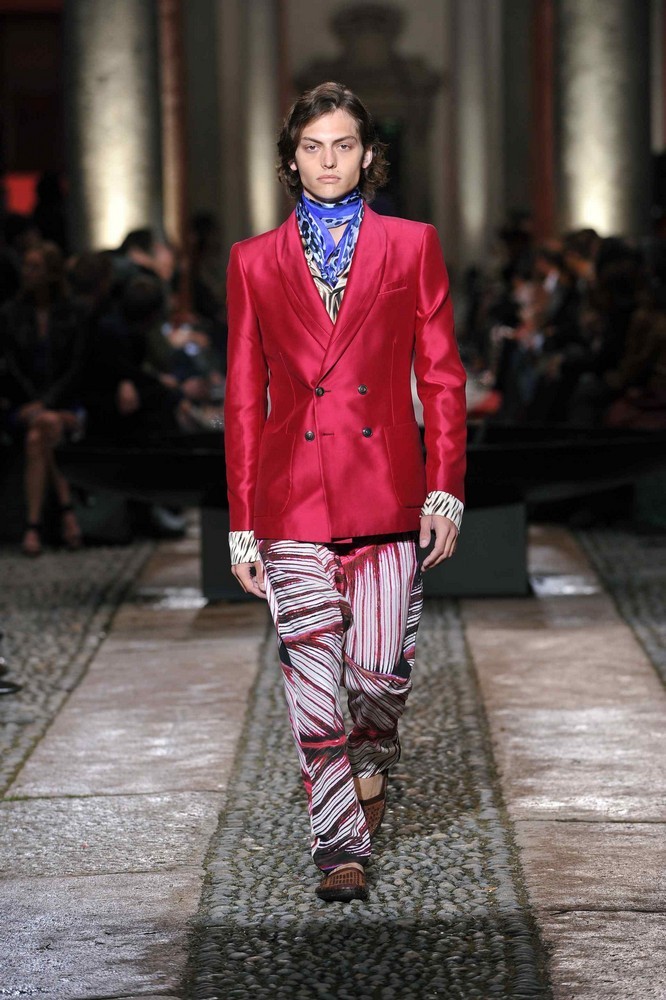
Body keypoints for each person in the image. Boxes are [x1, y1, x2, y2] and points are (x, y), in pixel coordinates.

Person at [224, 82, 467, 902]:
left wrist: (445, 490)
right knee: (313, 678)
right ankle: (339, 845)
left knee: (378, 675)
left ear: (368, 156)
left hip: (387, 495)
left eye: (343, 145)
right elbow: (243, 397)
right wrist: (243, 522)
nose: (328, 161)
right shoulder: (254, 260)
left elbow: (442, 377)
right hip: (291, 501)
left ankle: (374, 756)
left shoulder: (412, 245)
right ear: (292, 159)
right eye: (312, 147)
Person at [0, 242, 87, 556]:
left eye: (35, 267)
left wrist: (47, 404)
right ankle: (68, 515)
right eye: (26, 266)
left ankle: (33, 526)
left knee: (39, 436)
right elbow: (12, 367)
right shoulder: (10, 314)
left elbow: (77, 366)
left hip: (63, 404)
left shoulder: (74, 313)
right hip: (23, 405)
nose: (28, 273)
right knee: (45, 427)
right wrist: (36, 404)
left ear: (51, 272)